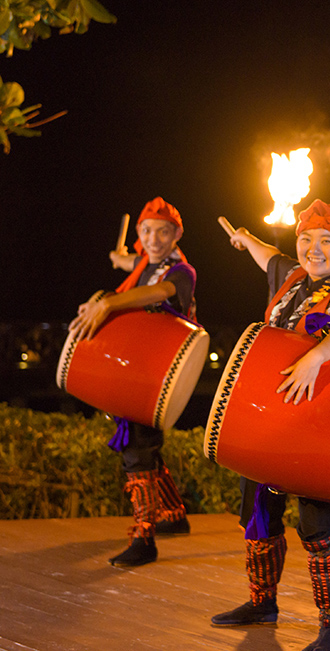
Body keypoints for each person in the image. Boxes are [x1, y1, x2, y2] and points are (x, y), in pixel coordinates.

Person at [210, 199, 330, 651]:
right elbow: (268, 256)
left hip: (314, 423)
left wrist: (315, 357)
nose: (314, 249)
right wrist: (245, 239)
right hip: (269, 415)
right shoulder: (291, 278)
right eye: (307, 239)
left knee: (316, 523)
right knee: (259, 514)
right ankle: (262, 603)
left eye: (327, 241)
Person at [70, 196, 195, 567]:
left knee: (137, 451)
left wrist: (108, 303)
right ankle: (174, 515)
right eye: (147, 231)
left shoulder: (181, 271)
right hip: (134, 368)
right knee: (146, 447)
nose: (154, 239)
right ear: (139, 233)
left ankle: (144, 538)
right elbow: (134, 263)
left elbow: (160, 291)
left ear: (176, 236)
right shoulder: (145, 262)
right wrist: (121, 259)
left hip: (156, 374)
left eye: (163, 232)